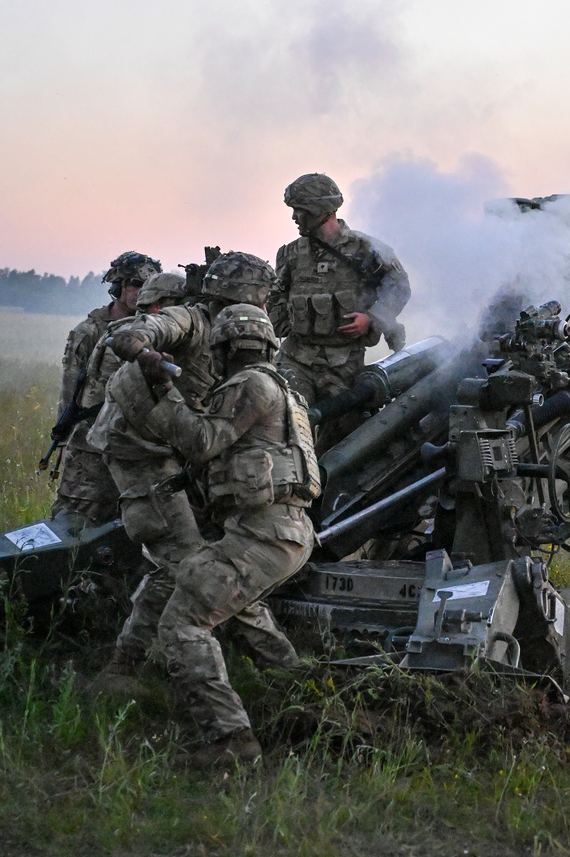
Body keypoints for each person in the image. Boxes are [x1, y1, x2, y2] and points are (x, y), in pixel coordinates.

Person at [87, 252, 301, 690]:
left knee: (182, 562)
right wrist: (141, 341)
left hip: (178, 453)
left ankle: (123, 666)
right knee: (197, 567)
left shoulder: (233, 335)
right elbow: (149, 327)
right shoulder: (192, 321)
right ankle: (284, 672)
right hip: (141, 453)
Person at [130, 304, 319, 767]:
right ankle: (301, 695)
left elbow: (200, 442)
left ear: (225, 348)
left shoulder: (248, 383)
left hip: (264, 533)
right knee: (240, 610)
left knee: (184, 623)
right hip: (282, 531)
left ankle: (231, 740)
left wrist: (162, 386)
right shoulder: (284, 390)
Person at [270, 173, 411, 426]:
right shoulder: (291, 253)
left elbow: (399, 287)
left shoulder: (366, 249)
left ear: (319, 210)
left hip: (343, 363)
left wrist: (372, 319)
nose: (294, 218)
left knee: (341, 434)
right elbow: (276, 293)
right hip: (295, 358)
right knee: (285, 424)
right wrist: (285, 321)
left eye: (299, 210)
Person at [51, 251, 162, 526]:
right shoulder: (89, 331)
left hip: (134, 445)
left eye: (148, 286)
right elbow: (69, 393)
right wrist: (65, 440)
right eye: (135, 284)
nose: (141, 292)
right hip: (89, 444)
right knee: (77, 519)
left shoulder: (157, 329)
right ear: (118, 287)